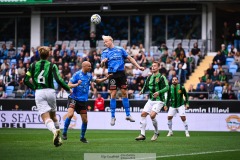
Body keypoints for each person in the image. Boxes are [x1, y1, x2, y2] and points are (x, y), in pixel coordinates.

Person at [24, 46, 71, 147]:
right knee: (53, 116)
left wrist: (34, 87)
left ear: (39, 54)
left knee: (45, 118)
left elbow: (25, 80)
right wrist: (67, 88)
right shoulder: (52, 65)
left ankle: (54, 131)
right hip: (50, 91)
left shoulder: (32, 65)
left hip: (39, 92)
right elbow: (59, 80)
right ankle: (59, 137)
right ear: (49, 54)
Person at [62, 61, 111, 143]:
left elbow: (97, 81)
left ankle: (82, 137)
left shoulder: (89, 75)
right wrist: (76, 84)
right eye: (89, 66)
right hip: (73, 98)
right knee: (70, 115)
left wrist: (106, 78)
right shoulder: (77, 74)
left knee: (85, 120)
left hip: (83, 101)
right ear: (84, 66)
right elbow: (69, 85)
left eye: (90, 66)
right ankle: (64, 133)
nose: (90, 67)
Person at [101, 35, 145, 126]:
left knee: (125, 92)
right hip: (112, 74)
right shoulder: (104, 52)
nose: (104, 43)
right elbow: (102, 65)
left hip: (121, 74)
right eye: (104, 42)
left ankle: (128, 115)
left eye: (105, 41)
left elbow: (130, 58)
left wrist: (138, 66)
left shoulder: (120, 49)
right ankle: (113, 117)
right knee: (113, 94)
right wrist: (103, 62)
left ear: (110, 40)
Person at [135, 61, 169, 141]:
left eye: (155, 66)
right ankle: (142, 135)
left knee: (152, 115)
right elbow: (145, 85)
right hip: (151, 100)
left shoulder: (161, 77)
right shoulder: (149, 77)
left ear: (158, 67)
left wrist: (159, 92)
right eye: (152, 66)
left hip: (159, 100)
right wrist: (142, 91)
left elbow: (167, 87)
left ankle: (156, 132)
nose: (153, 67)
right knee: (143, 114)